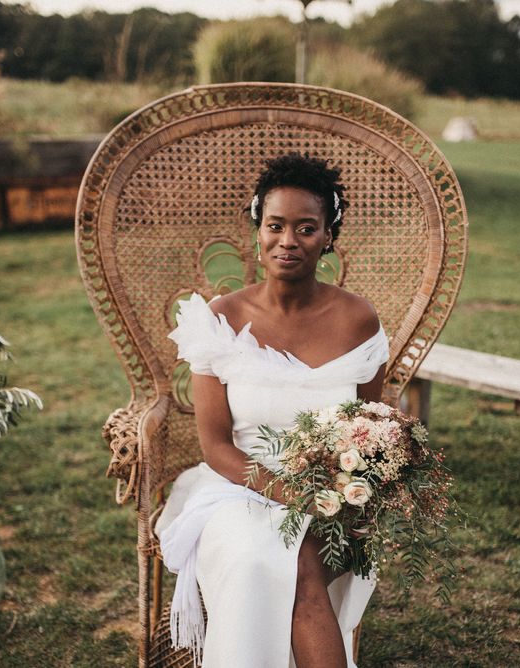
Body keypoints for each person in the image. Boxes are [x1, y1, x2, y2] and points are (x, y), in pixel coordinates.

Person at [155, 152, 389, 668]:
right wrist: (289, 494)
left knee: (301, 556)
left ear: (328, 235)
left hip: (333, 494)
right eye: (275, 225)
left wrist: (351, 497)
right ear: (257, 231)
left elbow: (373, 429)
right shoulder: (221, 318)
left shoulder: (358, 319)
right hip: (238, 488)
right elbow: (215, 446)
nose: (288, 241)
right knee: (277, 560)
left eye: (306, 228)